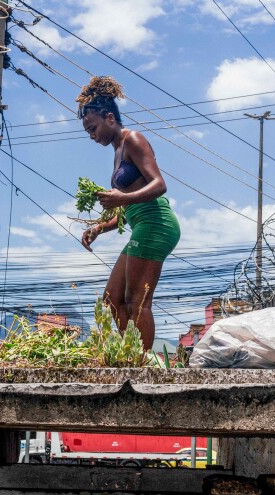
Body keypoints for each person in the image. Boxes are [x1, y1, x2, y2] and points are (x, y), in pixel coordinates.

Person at [79, 76, 181, 350]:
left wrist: (122, 197)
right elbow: (128, 208)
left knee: (137, 300)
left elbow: (159, 185)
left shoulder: (133, 139)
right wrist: (100, 227)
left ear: (109, 118)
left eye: (93, 128)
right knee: (111, 299)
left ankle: (145, 365)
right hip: (142, 223)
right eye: (88, 131)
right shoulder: (117, 151)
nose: (92, 136)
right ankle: (131, 354)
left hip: (157, 224)